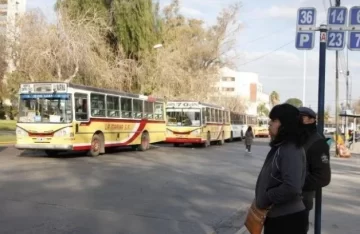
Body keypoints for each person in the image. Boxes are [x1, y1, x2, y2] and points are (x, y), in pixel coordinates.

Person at [255, 103, 308, 234]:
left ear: (285, 123)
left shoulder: (290, 148)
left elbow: (291, 187)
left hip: (287, 220)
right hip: (277, 217)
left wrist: (266, 197)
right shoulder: (282, 146)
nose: (269, 124)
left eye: (274, 120)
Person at [298, 107, 331, 232]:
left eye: (302, 117)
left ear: (311, 120)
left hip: (302, 200)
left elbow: (323, 177)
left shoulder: (317, 142)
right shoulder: (299, 138)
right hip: (288, 200)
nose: (298, 120)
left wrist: (297, 184)